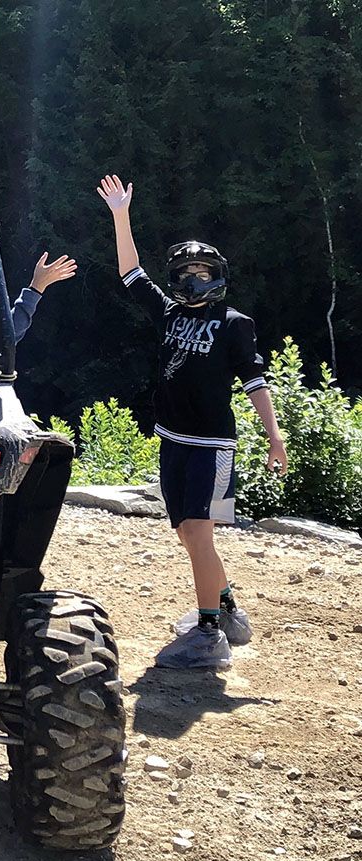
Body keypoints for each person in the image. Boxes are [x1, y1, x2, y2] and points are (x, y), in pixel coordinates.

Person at [97, 173, 287, 669]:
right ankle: (226, 610)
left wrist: (274, 436)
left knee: (199, 533)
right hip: (172, 439)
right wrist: (121, 214)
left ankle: (208, 636)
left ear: (218, 276)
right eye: (186, 271)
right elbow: (130, 273)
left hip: (209, 444)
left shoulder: (234, 324)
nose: (192, 279)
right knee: (186, 533)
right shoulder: (167, 312)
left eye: (202, 271)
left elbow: (254, 383)